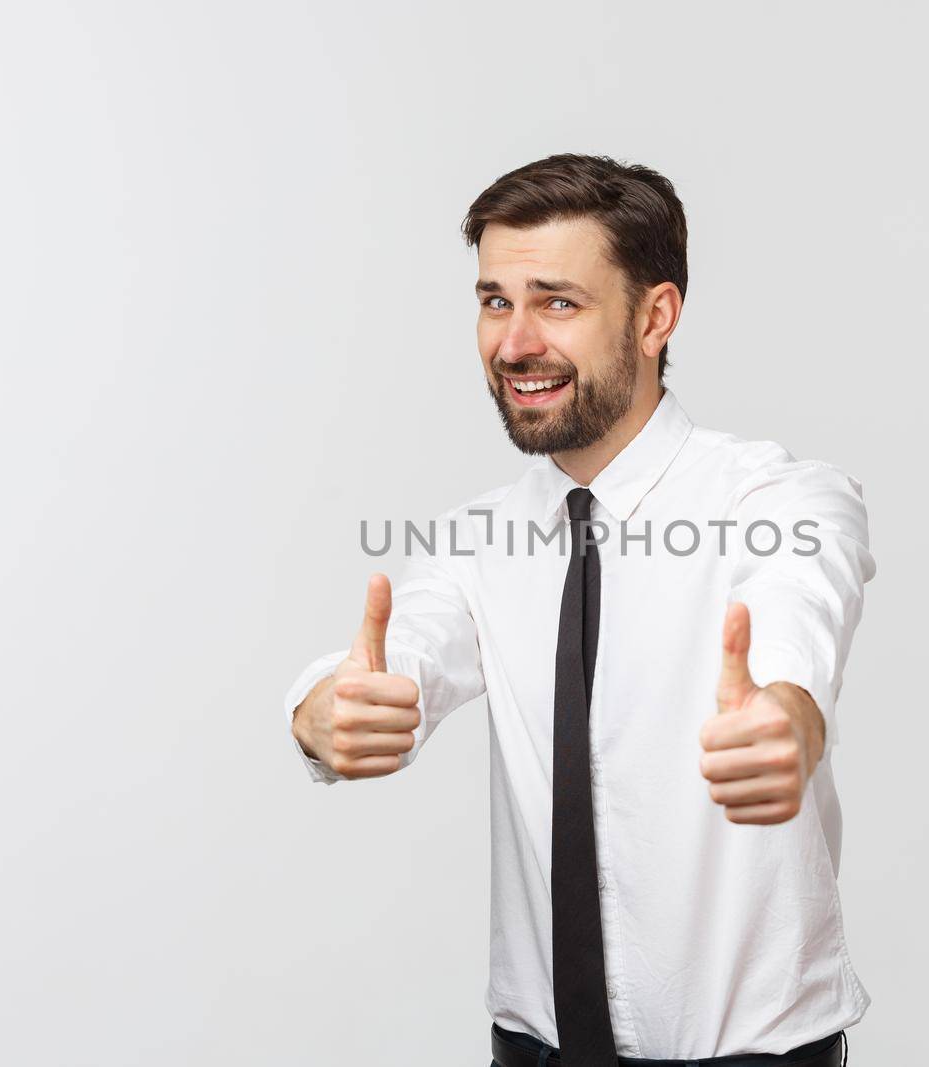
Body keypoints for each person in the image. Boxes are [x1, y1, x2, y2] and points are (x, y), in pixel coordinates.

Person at [285, 153, 875, 1066]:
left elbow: (800, 612)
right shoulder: (478, 539)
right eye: (494, 301)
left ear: (655, 317)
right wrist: (326, 709)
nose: (515, 343)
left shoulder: (781, 499)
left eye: (557, 302)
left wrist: (787, 717)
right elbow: (399, 651)